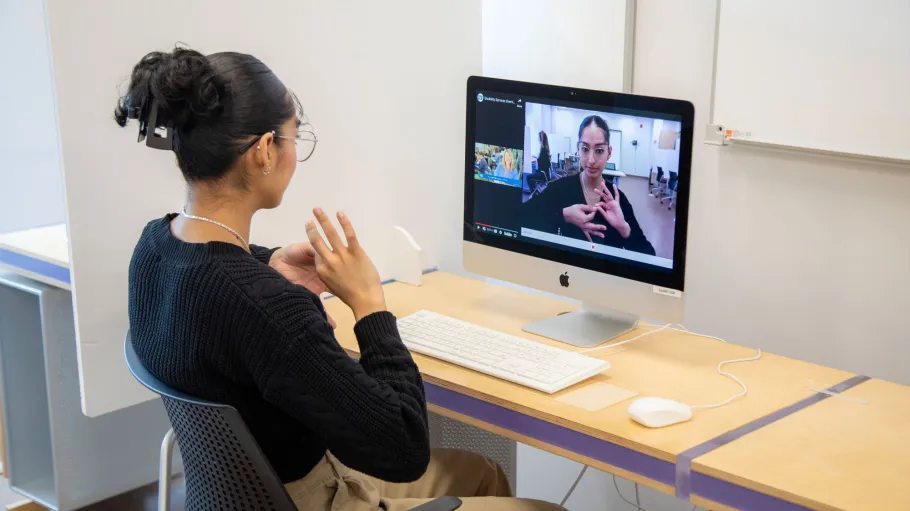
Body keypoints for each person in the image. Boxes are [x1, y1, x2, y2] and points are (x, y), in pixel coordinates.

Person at [118, 47, 564, 511]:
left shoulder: (153, 248)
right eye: (294, 137)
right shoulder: (271, 312)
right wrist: (370, 305)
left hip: (240, 495)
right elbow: (404, 447)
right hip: (312, 497)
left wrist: (269, 262)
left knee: (483, 473)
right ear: (264, 150)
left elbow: (215, 279)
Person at [524, 116, 655, 255]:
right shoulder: (558, 189)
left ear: (609, 152)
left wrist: (624, 228)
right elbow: (522, 218)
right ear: (578, 149)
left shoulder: (619, 201)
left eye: (599, 150)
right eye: (585, 149)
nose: (591, 160)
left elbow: (649, 255)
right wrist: (563, 215)